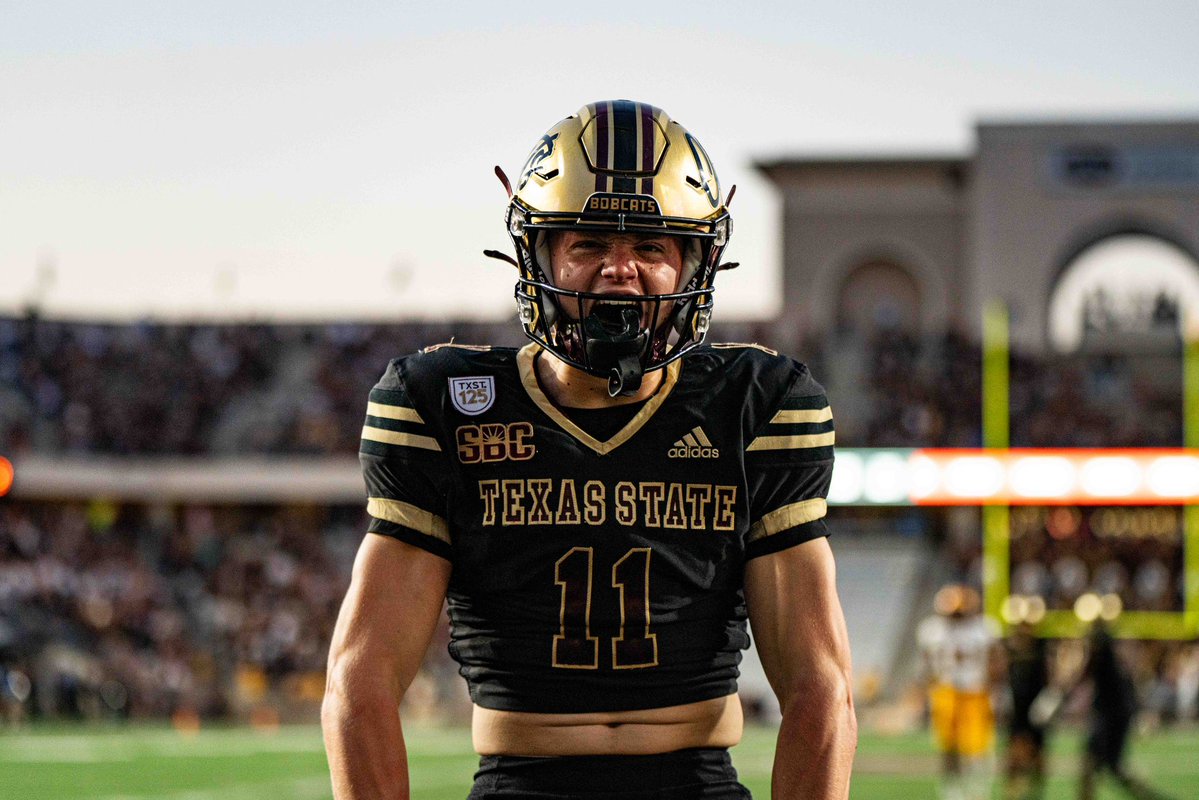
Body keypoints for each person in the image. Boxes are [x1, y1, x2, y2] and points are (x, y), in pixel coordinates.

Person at [321, 100, 857, 799]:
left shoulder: (755, 406)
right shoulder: (444, 405)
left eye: (650, 248)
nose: (619, 270)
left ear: (694, 265)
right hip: (522, 783)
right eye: (588, 245)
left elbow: (820, 689)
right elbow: (359, 682)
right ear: (537, 254)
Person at [917, 584, 1000, 800]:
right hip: (946, 692)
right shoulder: (933, 630)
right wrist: (928, 689)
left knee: (976, 747)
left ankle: (977, 789)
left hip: (975, 692)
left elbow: (995, 662)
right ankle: (952, 791)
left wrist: (996, 690)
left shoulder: (983, 629)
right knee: (948, 746)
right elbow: (927, 665)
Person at [1073, 621, 1174, 800]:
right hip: (1111, 718)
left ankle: (1148, 795)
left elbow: (1083, 675)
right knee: (1101, 766)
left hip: (1111, 720)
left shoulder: (1104, 655)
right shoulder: (1111, 658)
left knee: (1103, 766)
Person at [1003, 622, 1050, 800]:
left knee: (1037, 755)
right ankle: (1013, 792)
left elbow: (1047, 679)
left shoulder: (1040, 652)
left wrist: (1047, 699)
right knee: (1014, 755)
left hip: (1035, 709)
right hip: (1018, 711)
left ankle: (1035, 792)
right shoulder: (1012, 652)